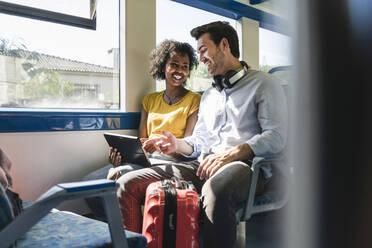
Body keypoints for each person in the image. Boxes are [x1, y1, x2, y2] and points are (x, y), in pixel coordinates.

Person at [111, 21, 287, 247]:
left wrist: (231, 154)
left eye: (203, 50)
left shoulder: (265, 84)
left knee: (214, 191)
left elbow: (276, 136)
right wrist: (176, 145)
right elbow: (200, 140)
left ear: (224, 45)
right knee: (127, 184)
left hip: (248, 164)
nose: (200, 58)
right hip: (203, 163)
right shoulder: (209, 95)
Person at [83, 40, 201, 220]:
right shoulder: (149, 100)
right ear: (163, 66)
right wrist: (122, 157)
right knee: (87, 183)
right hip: (146, 160)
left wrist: (164, 148)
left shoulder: (194, 100)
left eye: (185, 67)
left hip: (175, 162)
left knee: (116, 176)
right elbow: (142, 142)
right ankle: (111, 229)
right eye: (174, 65)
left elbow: (189, 149)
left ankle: (130, 236)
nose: (180, 71)